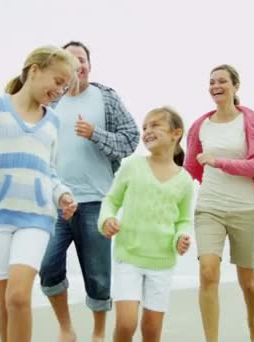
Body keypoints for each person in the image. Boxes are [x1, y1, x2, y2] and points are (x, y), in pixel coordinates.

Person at [0, 45, 79, 342]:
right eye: (58, 81)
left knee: (18, 297)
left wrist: (62, 194)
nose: (60, 90)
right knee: (3, 304)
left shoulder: (53, 122)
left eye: (66, 86)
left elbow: (49, 171)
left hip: (37, 217)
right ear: (34, 70)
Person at [39, 41, 140, 342]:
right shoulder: (51, 102)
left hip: (97, 201)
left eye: (80, 59)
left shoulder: (105, 98)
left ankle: (97, 334)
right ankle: (66, 328)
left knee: (97, 277)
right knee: (47, 267)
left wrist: (96, 134)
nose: (76, 64)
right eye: (69, 59)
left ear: (89, 66)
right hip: (57, 201)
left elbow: (132, 138)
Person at [184, 64, 254, 342]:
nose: (216, 86)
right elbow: (190, 169)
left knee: (248, 282)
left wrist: (219, 162)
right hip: (209, 206)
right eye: (211, 81)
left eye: (222, 81)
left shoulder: (250, 120)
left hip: (245, 209)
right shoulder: (200, 126)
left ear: (236, 86)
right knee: (208, 271)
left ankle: (252, 321)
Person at [98, 106, 193, 342]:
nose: (147, 131)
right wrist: (107, 219)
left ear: (176, 133)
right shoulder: (132, 165)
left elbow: (183, 220)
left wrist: (180, 238)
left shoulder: (185, 180)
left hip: (161, 262)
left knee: (151, 330)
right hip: (128, 256)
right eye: (144, 127)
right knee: (126, 323)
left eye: (155, 125)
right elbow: (111, 200)